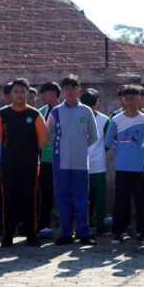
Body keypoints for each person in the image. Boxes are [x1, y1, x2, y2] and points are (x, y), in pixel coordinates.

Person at [46, 74, 98, 246]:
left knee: (81, 197)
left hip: (81, 162)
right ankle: (66, 233)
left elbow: (93, 136)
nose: (69, 92)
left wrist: (79, 147)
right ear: (62, 91)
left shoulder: (86, 110)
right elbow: (49, 135)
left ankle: (84, 232)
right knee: (63, 198)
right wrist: (62, 148)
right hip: (60, 161)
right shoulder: (56, 112)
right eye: (66, 89)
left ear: (79, 90)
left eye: (72, 88)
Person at [0, 78, 47, 247]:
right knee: (8, 198)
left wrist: (28, 151)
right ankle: (7, 235)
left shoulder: (35, 114)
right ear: (10, 94)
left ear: (28, 94)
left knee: (29, 198)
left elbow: (42, 139)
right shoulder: (2, 114)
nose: (19, 95)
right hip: (8, 162)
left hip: (30, 163)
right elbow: (0, 138)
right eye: (16, 91)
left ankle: (31, 234)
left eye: (22, 91)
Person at [105, 84, 144, 244]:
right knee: (121, 201)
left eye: (133, 99)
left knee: (141, 202)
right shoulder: (116, 119)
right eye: (127, 99)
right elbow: (108, 141)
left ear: (139, 99)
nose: (130, 102)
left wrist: (142, 146)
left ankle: (142, 232)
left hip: (139, 168)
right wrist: (121, 145)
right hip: (121, 167)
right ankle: (118, 233)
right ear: (122, 100)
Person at [82, 88, 110, 236]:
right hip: (80, 163)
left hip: (98, 164)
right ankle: (83, 226)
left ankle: (100, 225)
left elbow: (109, 141)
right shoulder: (76, 117)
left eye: (91, 105)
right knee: (82, 198)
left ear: (97, 104)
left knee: (99, 197)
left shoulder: (104, 120)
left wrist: (100, 152)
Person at [37, 81, 61, 238]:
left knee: (63, 192)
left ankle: (66, 224)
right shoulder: (40, 112)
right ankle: (44, 223)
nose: (42, 96)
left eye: (45, 93)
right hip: (44, 158)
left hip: (63, 158)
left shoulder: (65, 110)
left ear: (54, 93)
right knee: (45, 192)